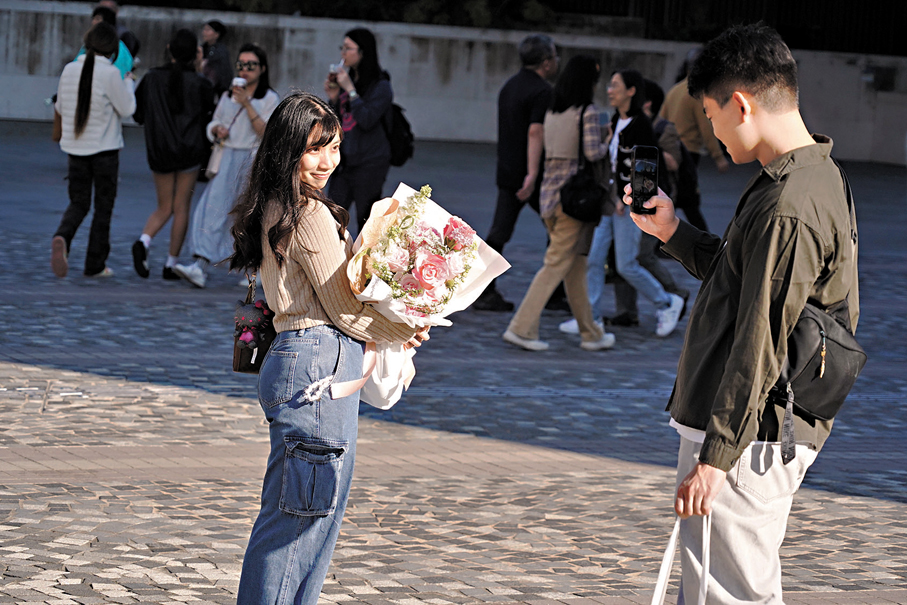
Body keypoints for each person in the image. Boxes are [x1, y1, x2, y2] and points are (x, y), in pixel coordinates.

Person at [626, 24, 858, 604]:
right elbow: (745, 283)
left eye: (709, 113)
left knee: (728, 594)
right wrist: (673, 231)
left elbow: (761, 340)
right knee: (717, 589)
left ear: (741, 103)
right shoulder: (808, 176)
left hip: (752, 435)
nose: (710, 130)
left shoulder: (790, 204)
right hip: (755, 429)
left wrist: (716, 458)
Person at [229, 92, 427, 604]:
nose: (327, 162)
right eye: (315, 149)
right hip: (319, 364)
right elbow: (341, 308)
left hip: (302, 365)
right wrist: (402, 330)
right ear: (288, 149)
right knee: (299, 524)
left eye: (334, 147)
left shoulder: (274, 201)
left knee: (303, 516)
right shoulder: (307, 212)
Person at [558, 78, 690, 334]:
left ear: (631, 91)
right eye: (609, 85)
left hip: (628, 205)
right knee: (595, 260)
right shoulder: (616, 122)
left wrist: (626, 198)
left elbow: (646, 169)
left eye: (615, 85)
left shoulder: (640, 124)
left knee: (627, 264)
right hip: (610, 204)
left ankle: (667, 302)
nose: (609, 90)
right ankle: (592, 318)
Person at [502, 55, 615, 352]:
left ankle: (591, 333)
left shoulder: (552, 111)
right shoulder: (588, 112)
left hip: (550, 197)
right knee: (555, 266)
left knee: (575, 267)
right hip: (575, 200)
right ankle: (521, 328)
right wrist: (609, 140)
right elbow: (592, 153)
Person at [173, 43, 279, 288]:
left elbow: (267, 132)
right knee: (211, 209)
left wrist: (247, 104)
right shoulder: (227, 95)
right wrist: (216, 130)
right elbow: (215, 122)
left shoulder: (269, 98)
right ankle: (200, 264)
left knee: (252, 215)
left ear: (262, 68)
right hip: (227, 155)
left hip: (253, 160)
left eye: (250, 65)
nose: (244, 70)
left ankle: (259, 269)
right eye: (241, 64)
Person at [472, 34, 559, 312]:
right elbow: (536, 132)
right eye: (554, 57)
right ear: (546, 63)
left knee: (500, 232)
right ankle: (554, 292)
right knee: (557, 230)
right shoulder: (543, 91)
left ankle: (481, 289)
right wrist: (533, 174)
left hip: (509, 170)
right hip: (530, 175)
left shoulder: (510, 86)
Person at [51, 21, 135, 278]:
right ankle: (95, 264)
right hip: (105, 151)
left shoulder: (69, 69)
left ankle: (62, 236)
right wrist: (129, 82)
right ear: (112, 50)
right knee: (103, 207)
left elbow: (61, 109)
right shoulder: (111, 73)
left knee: (79, 203)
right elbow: (128, 109)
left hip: (75, 150)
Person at [131, 29, 215, 280]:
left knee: (164, 206)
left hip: (160, 151)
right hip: (190, 152)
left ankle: (144, 241)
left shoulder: (152, 77)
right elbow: (209, 115)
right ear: (196, 54)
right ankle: (171, 263)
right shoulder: (202, 83)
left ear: (169, 48)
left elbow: (138, 115)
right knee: (181, 207)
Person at [324, 28, 394, 234]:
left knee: (367, 224)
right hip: (344, 162)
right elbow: (335, 122)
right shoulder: (347, 80)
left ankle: (364, 266)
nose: (343, 53)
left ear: (362, 52)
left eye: (348, 48)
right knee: (331, 220)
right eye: (342, 48)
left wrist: (351, 90)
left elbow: (366, 119)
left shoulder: (381, 86)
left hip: (370, 163)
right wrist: (334, 97)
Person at [76, 6, 133, 79]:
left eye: (97, 19)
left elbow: (120, 74)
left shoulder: (118, 46)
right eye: (93, 19)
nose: (93, 22)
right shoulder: (89, 42)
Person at [200, 20, 232, 98]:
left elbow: (224, 73)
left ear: (217, 34)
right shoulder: (202, 48)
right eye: (204, 29)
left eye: (208, 30)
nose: (204, 32)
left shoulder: (221, 51)